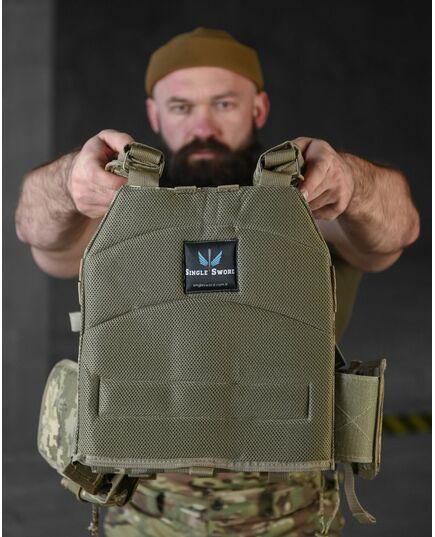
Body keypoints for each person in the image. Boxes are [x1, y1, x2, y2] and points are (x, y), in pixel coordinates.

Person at [16, 28, 419, 537]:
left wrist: (354, 183)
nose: (203, 125)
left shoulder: (310, 202)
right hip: (143, 510)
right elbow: (34, 230)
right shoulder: (116, 208)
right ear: (155, 115)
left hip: (289, 510)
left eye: (224, 103)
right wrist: (70, 178)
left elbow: (400, 228)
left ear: (258, 108)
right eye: (181, 107)